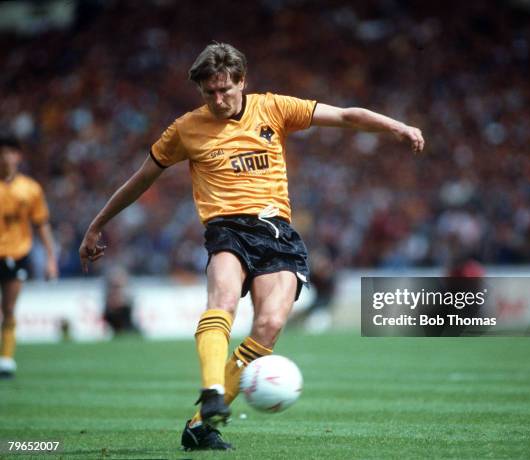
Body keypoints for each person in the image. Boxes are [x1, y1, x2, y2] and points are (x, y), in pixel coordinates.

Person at [78, 42, 425, 451]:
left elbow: (346, 116)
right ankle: (211, 390)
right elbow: (141, 178)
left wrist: (397, 126)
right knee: (222, 299)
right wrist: (96, 225)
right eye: (210, 93)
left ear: (243, 81)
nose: (218, 99)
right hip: (226, 229)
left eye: (225, 89)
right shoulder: (186, 129)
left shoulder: (274, 108)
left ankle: (199, 425)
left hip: (276, 232)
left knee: (269, 326)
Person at [0, 134, 58, 378]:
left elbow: (41, 224)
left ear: (18, 156)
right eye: (2, 152)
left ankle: (6, 359)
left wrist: (50, 258)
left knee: (10, 307)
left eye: (10, 152)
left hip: (17, 252)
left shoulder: (31, 189)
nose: (5, 157)